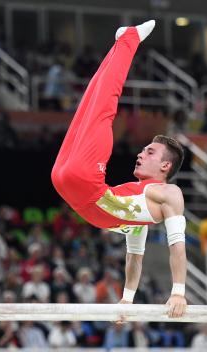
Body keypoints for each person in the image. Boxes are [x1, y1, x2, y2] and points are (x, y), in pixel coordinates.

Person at [51, 20, 187, 318]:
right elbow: (134, 260)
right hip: (75, 183)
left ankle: (127, 39)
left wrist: (176, 292)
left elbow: (170, 248)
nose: (140, 153)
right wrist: (129, 298)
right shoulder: (139, 209)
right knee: (91, 103)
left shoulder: (169, 194)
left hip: (75, 183)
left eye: (149, 152)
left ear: (166, 166)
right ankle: (122, 43)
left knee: (102, 107)